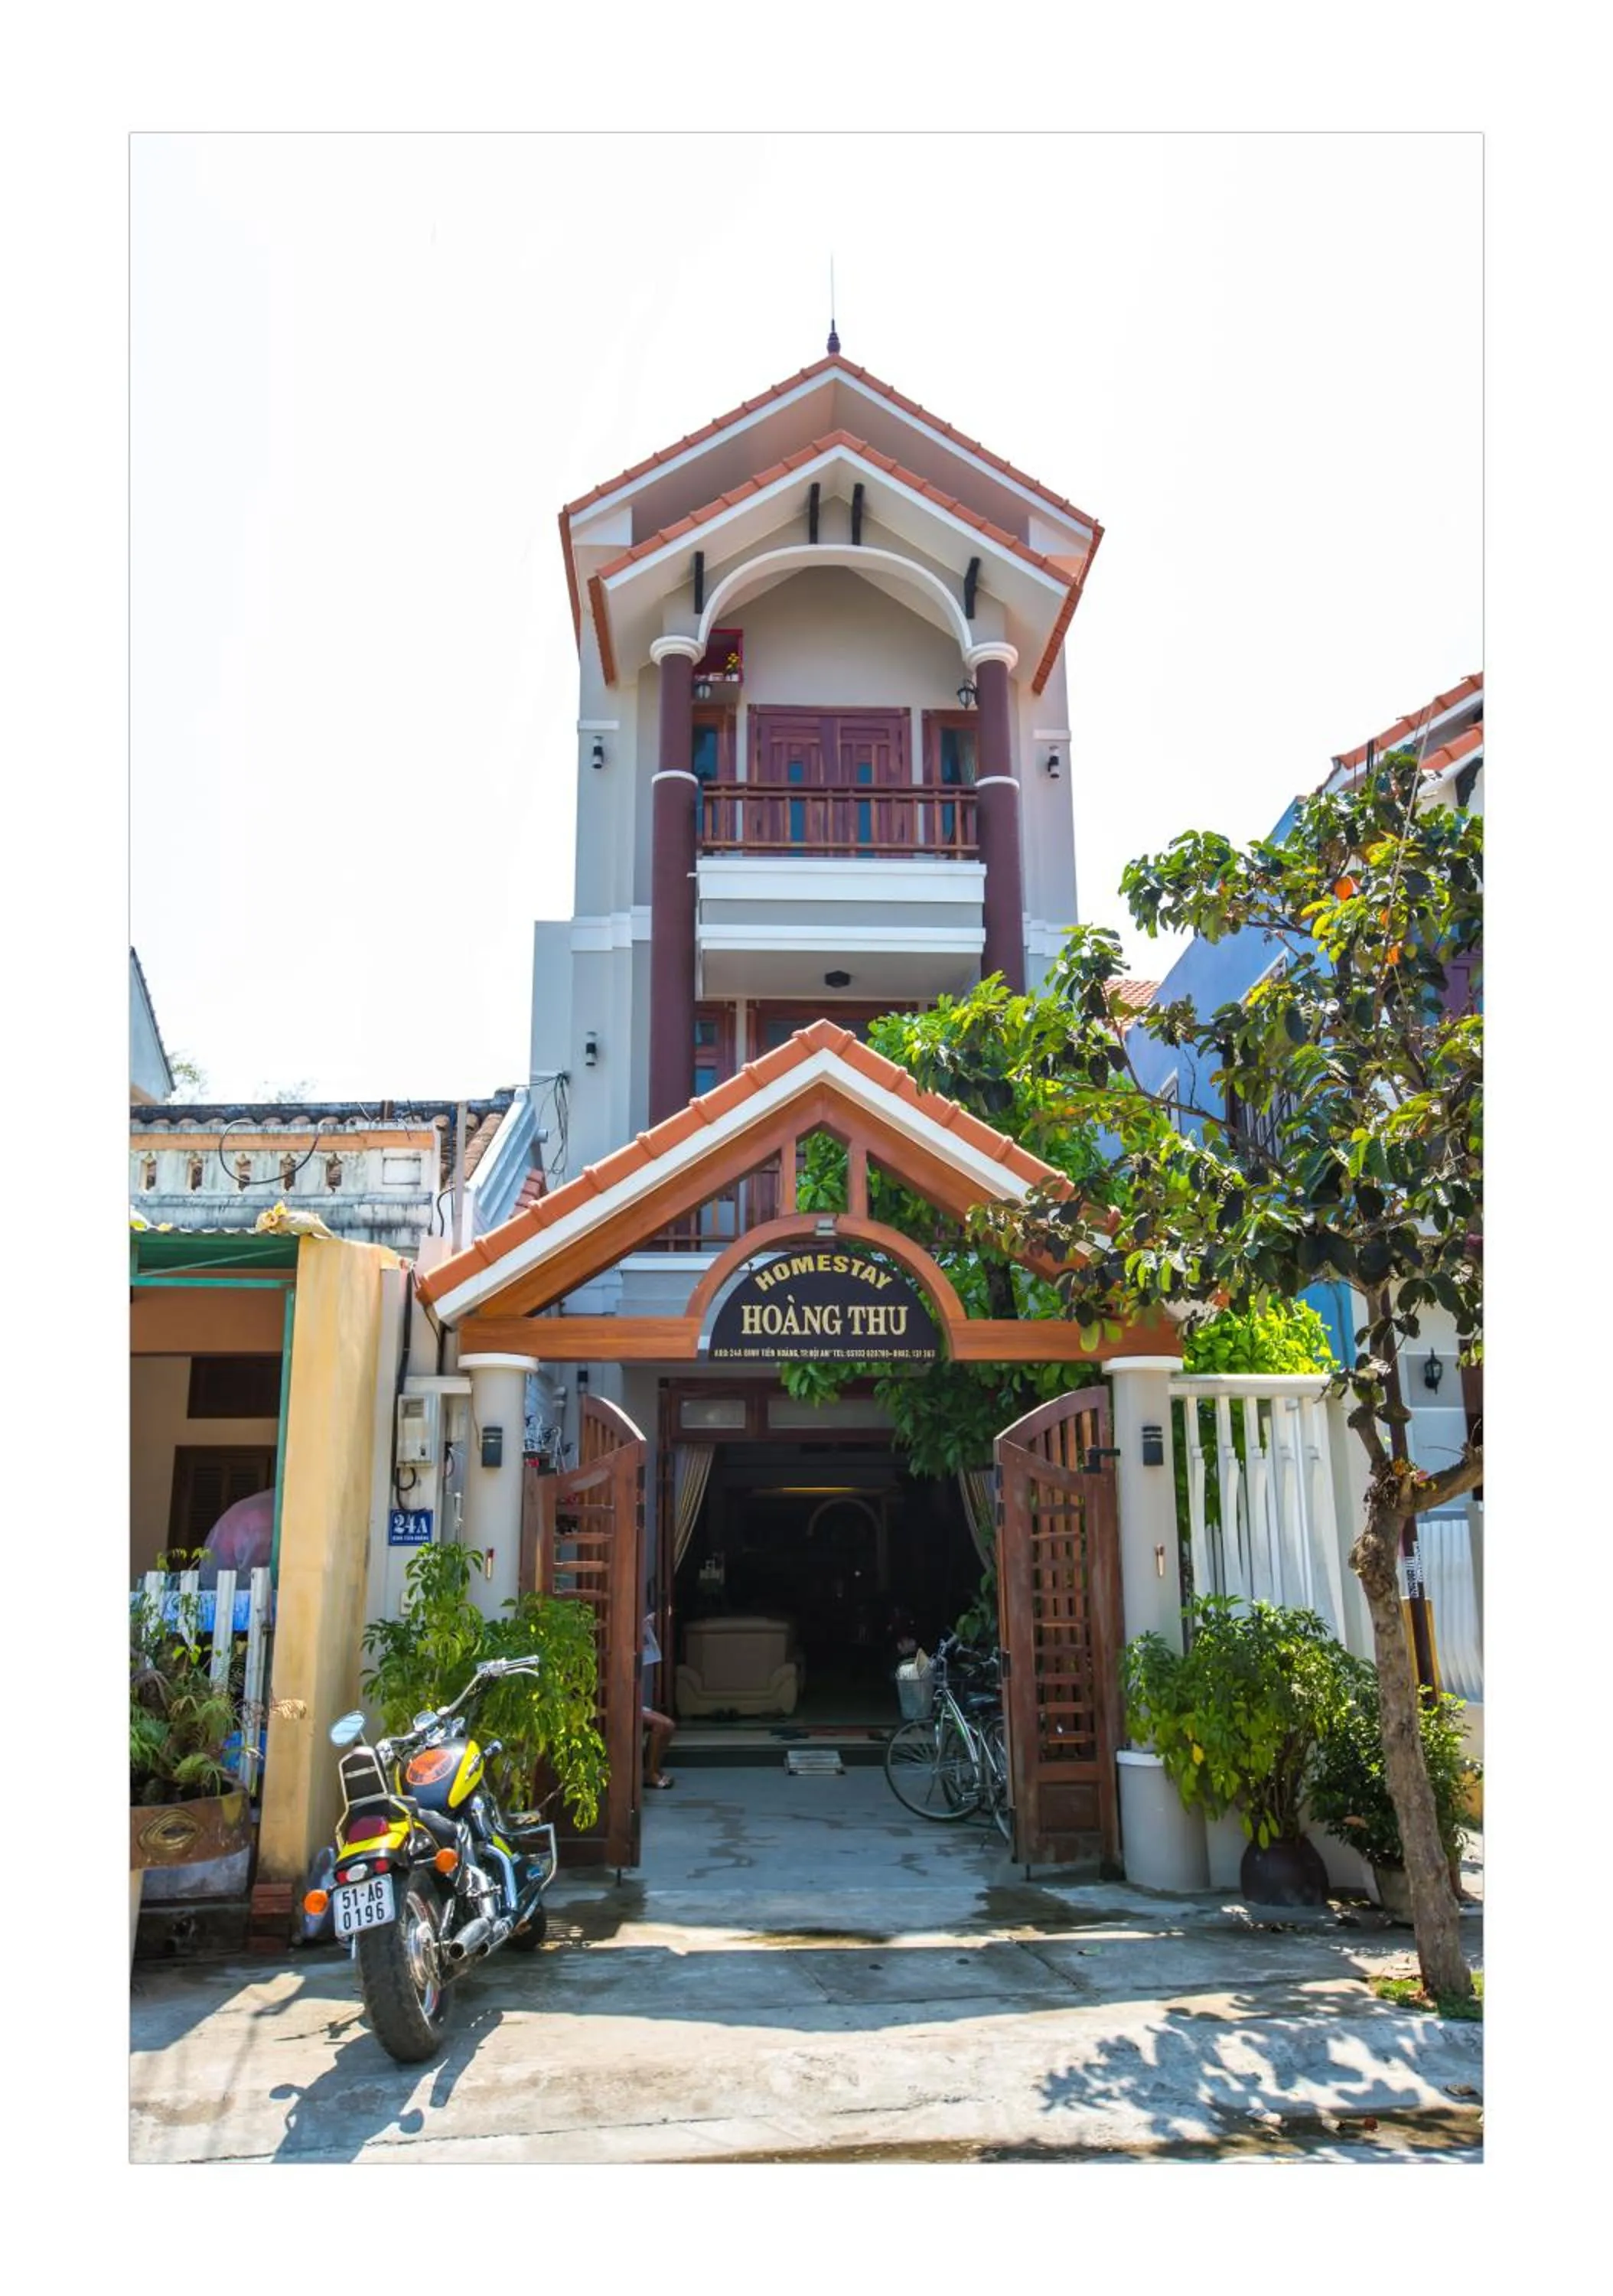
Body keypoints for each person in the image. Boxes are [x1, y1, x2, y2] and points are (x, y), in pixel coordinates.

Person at [642, 1613, 675, 1789]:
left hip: (635, 1703)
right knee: (661, 1725)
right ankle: (650, 1773)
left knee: (668, 1725)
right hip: (622, 1704)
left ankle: (653, 1768)